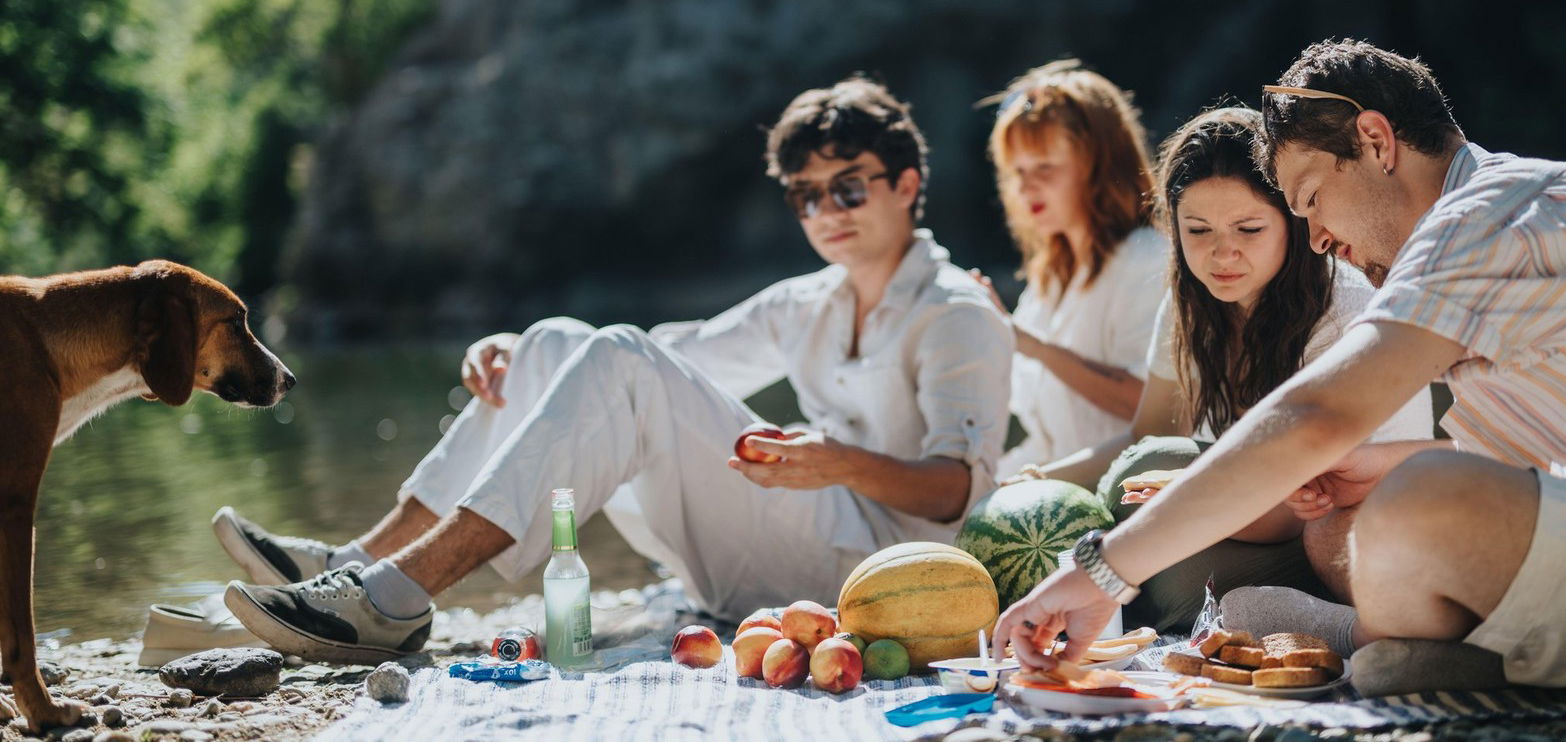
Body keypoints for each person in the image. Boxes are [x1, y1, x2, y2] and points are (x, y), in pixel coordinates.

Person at [992, 38, 1566, 698]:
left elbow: (1313, 415)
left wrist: (1100, 571)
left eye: (1309, 199)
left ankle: (1357, 639)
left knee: (1416, 508)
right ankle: (1467, 660)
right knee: (1372, 507)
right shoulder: (1505, 216)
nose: (1314, 239)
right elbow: (1517, 465)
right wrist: (1363, 465)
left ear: (1375, 144)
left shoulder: (1489, 215)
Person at [211, 76, 1014, 663]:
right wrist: (522, 351)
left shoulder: (956, 314)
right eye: (805, 197)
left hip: (882, 579)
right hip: (786, 540)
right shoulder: (808, 301)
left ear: (907, 185)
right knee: (565, 339)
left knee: (613, 355)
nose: (824, 214)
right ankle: (358, 564)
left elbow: (958, 491)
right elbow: (660, 361)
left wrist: (832, 462)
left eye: (847, 188)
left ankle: (390, 598)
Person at [1013, 106, 1432, 632]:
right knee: (1141, 473)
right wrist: (1029, 482)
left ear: (1292, 222)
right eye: (1198, 230)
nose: (1222, 253)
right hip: (1243, 508)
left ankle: (1338, 627)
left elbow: (1303, 505)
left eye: (1249, 228)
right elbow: (1147, 435)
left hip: (1343, 527)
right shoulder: (1191, 303)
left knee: (1181, 575)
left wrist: (1189, 496)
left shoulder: (1342, 311)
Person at [968, 60, 1167, 479]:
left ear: (1099, 166)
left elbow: (1155, 411)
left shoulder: (1147, 259)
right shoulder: (1048, 279)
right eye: (1017, 171)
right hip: (1050, 486)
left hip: (1125, 496)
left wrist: (1030, 345)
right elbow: (1037, 430)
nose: (1025, 187)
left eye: (1044, 168)